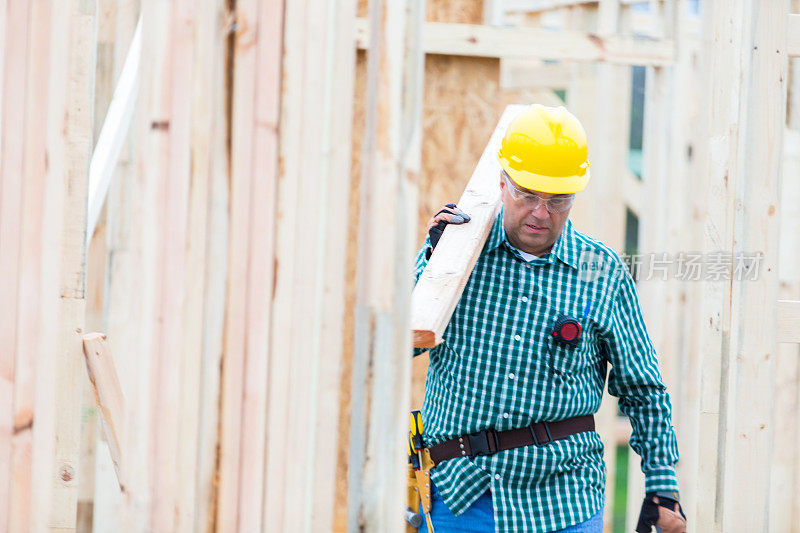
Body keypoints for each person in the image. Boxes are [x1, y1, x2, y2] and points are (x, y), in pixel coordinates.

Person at [412, 104, 686, 533]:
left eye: (557, 200)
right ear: (502, 183)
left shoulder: (602, 271)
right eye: (527, 194)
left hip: (563, 502)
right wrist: (431, 264)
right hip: (462, 497)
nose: (542, 212)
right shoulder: (456, 255)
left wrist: (662, 487)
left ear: (574, 195)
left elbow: (643, 388)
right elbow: (401, 345)